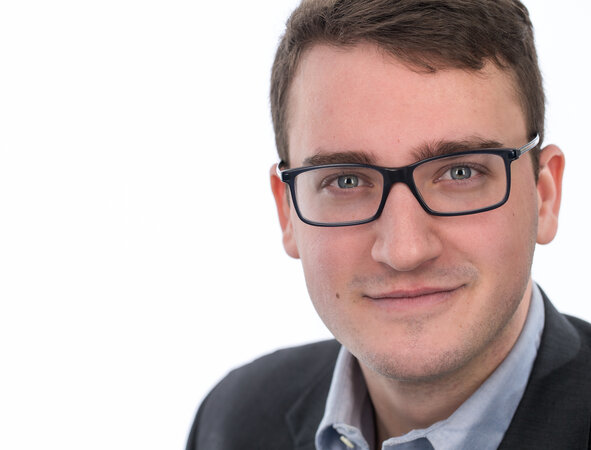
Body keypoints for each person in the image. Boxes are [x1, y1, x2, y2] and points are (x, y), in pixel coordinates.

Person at [187, 1, 590, 449]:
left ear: (545, 195)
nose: (404, 250)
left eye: (460, 173)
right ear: (287, 212)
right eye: (346, 180)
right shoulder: (233, 421)